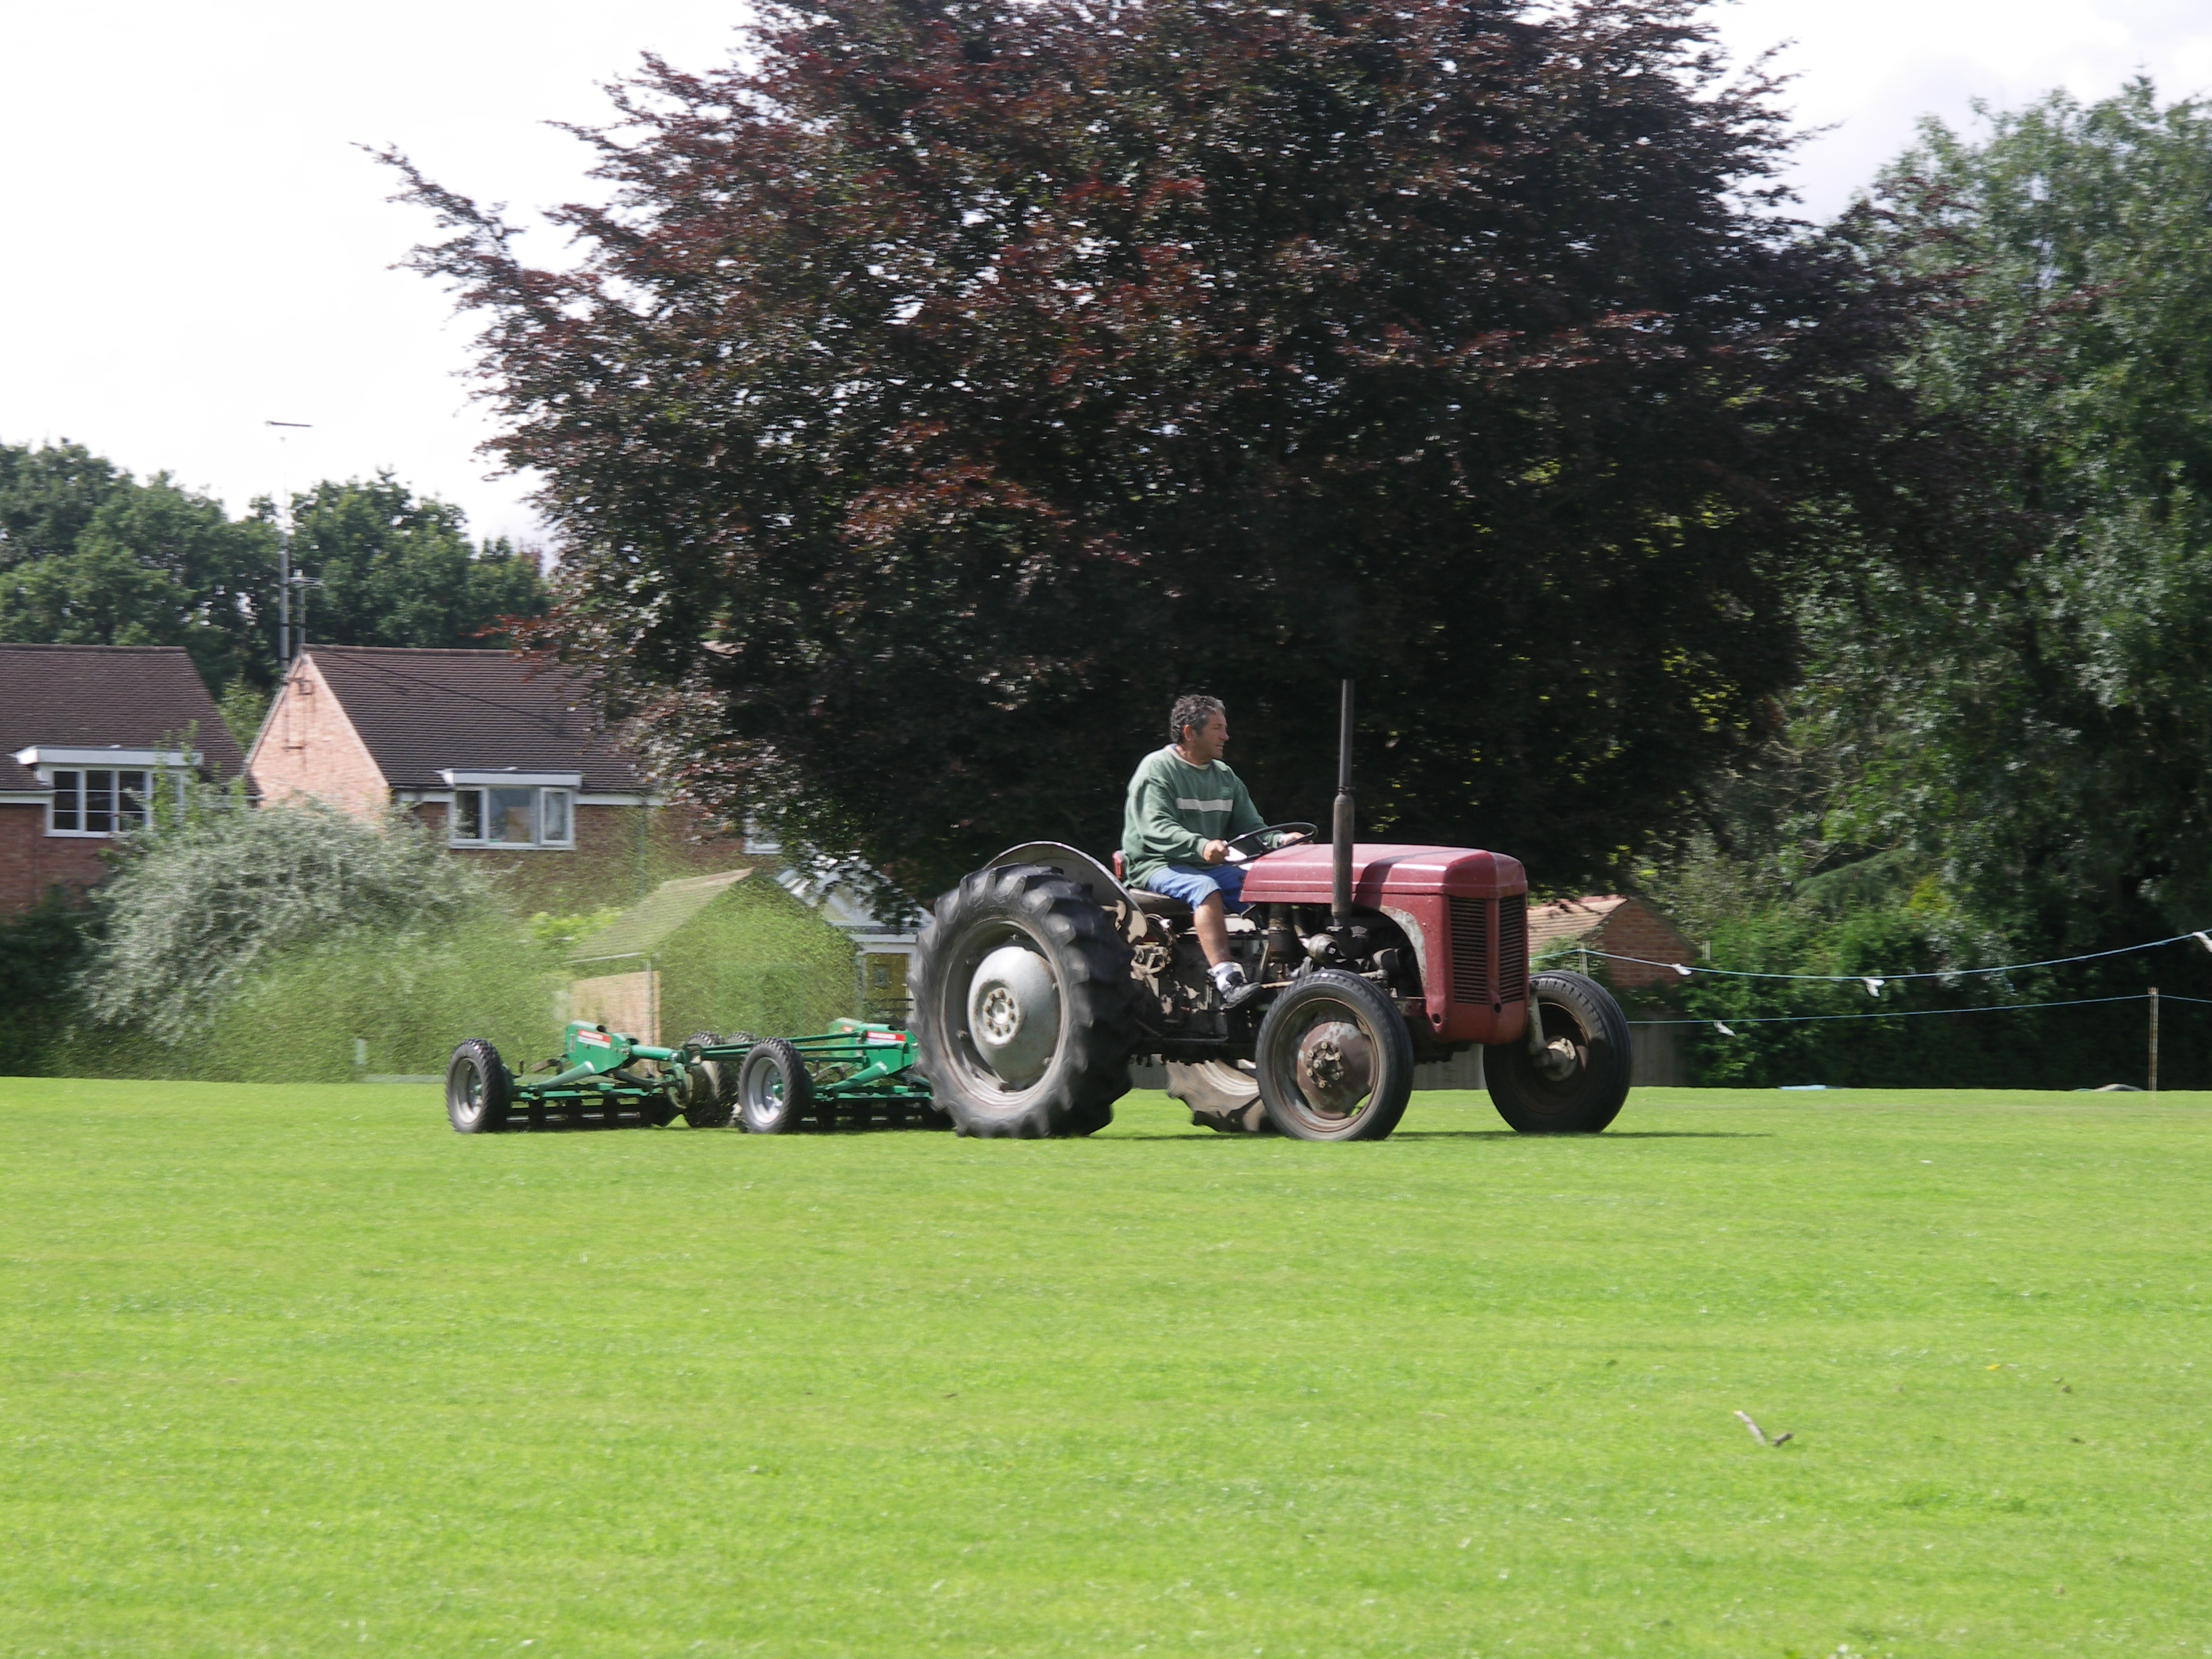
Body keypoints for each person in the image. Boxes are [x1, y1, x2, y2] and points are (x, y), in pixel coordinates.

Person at [1122, 694, 1304, 1010]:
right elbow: (1155, 828)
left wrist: (1280, 842)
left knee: (1263, 888)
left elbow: (1251, 830)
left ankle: (1289, 966)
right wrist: (1201, 846)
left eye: (1225, 728)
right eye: (1218, 728)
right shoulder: (1157, 769)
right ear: (1191, 733)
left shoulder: (1224, 776)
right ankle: (1227, 979)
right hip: (1156, 863)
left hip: (1203, 863)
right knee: (1206, 889)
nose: (1226, 736)